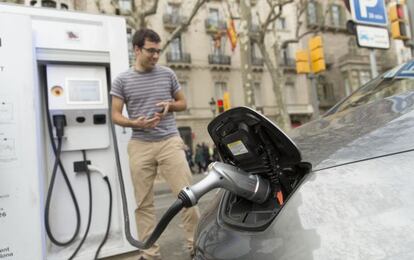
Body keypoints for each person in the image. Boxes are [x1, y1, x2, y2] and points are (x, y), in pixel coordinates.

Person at [110, 28, 200, 260]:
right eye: (151, 51)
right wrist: (134, 122)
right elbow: (115, 115)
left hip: (169, 140)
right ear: (137, 49)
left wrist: (171, 105)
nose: (155, 56)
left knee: (188, 197)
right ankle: (150, 254)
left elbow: (183, 103)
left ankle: (195, 248)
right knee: (143, 204)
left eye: (158, 51)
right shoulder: (122, 80)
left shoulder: (167, 74)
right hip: (140, 144)